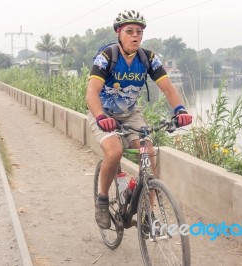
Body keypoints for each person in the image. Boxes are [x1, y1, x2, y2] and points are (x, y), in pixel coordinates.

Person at [86, 9, 192, 229]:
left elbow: (168, 88)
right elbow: (91, 93)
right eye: (129, 31)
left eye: (139, 32)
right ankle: (103, 200)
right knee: (114, 152)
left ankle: (147, 214)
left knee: (148, 155)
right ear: (118, 33)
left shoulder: (148, 58)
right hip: (104, 113)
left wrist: (180, 110)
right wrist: (99, 117)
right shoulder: (107, 57)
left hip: (132, 114)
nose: (135, 36)